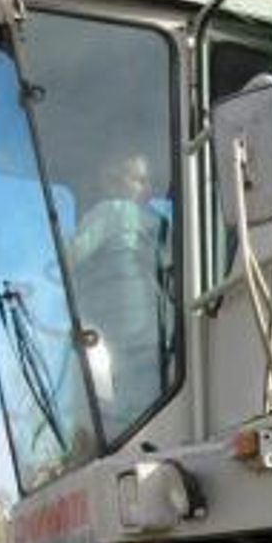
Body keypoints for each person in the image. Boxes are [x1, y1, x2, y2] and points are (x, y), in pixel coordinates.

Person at [68, 153, 172, 436]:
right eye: (139, 180)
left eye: (148, 181)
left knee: (126, 386)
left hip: (126, 323)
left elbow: (71, 257)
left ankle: (130, 433)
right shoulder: (151, 221)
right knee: (144, 382)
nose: (147, 188)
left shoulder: (110, 213)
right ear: (112, 182)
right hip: (152, 325)